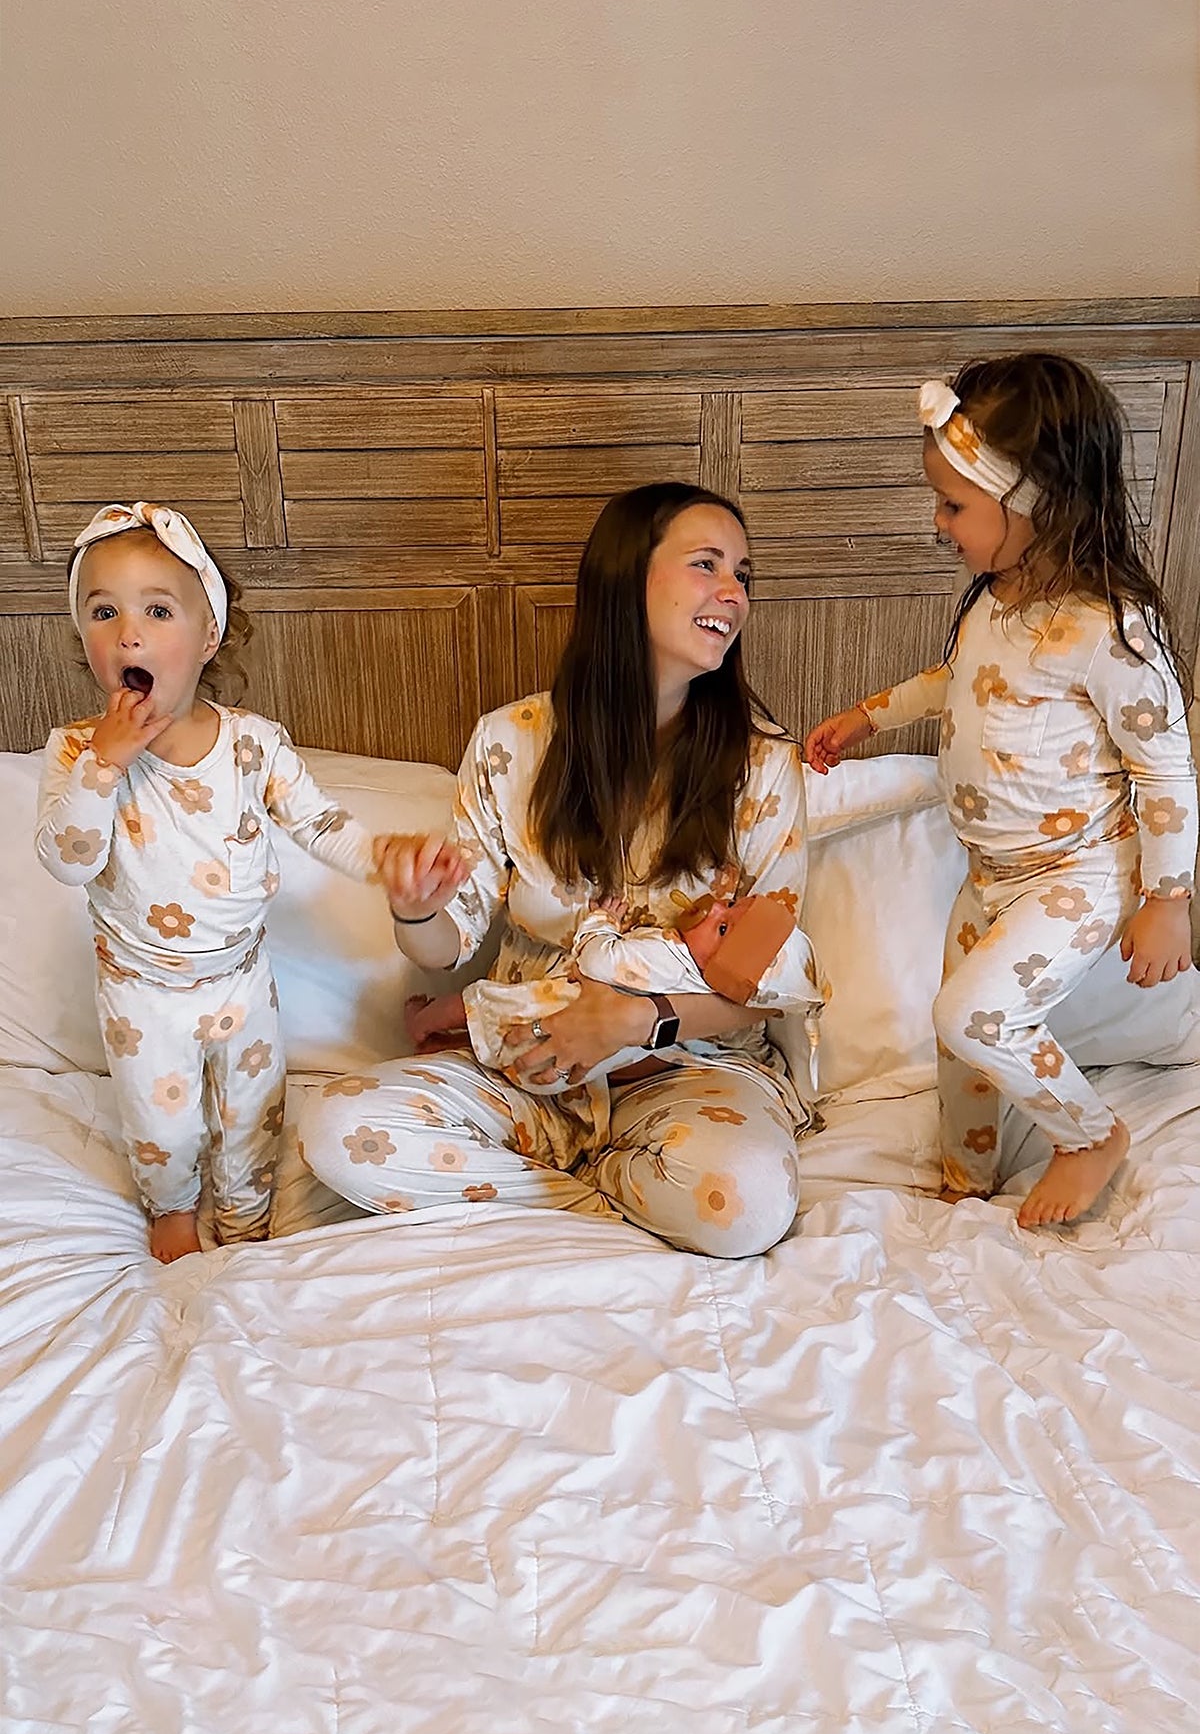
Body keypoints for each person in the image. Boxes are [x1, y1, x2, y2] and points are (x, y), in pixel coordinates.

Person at [297, 482, 825, 1259]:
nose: (734, 593)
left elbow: (760, 975)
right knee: (338, 1129)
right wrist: (415, 908)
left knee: (742, 1205)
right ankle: (605, 1202)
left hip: (690, 1073)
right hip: (529, 1070)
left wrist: (635, 1018)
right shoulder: (509, 743)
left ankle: (542, 1199)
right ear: (626, 576)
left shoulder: (764, 766)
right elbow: (444, 948)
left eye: (743, 574)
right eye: (707, 564)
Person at [804, 354, 1196, 1229]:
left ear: (1036, 502)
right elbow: (959, 682)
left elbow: (1166, 767)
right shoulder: (998, 601)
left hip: (1080, 872)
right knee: (959, 1039)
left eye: (954, 505)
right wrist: (868, 717)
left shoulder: (1111, 629)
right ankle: (966, 1173)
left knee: (975, 1014)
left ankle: (1089, 1137)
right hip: (995, 874)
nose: (939, 523)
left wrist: (1168, 899)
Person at [35, 502, 403, 1264]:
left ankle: (244, 1216)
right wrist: (104, 765)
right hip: (141, 989)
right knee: (161, 1122)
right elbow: (68, 860)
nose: (129, 633)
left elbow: (321, 825)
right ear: (84, 639)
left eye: (157, 610)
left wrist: (387, 860)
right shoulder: (76, 752)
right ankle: (172, 1209)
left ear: (208, 637)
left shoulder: (252, 745)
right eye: (103, 612)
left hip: (240, 978)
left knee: (252, 1113)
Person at [407, 888, 800, 1094]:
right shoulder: (707, 994)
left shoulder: (667, 957)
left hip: (551, 1015)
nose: (713, 908)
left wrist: (601, 921)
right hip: (571, 1074)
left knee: (477, 1005)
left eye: (722, 928)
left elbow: (597, 961)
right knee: (502, 1048)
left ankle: (423, 1023)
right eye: (729, 903)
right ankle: (445, 1046)